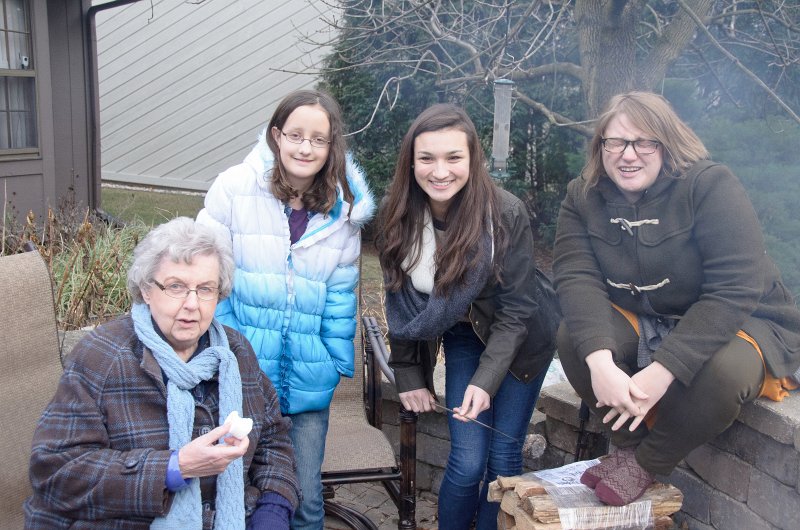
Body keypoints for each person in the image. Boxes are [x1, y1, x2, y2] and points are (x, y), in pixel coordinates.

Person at [553, 91, 800, 506]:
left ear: (666, 144)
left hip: (744, 316)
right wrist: (599, 362)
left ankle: (646, 462)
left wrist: (665, 368)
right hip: (648, 316)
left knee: (723, 373)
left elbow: (734, 288)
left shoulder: (709, 185)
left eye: (644, 142)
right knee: (574, 336)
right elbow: (576, 278)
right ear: (601, 147)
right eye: (615, 142)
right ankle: (628, 445)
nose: (628, 155)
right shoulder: (583, 195)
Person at [25, 217, 300, 529]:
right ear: (146, 290)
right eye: (176, 287)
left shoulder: (235, 354)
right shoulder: (102, 357)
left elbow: (273, 441)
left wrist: (273, 510)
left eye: (205, 289)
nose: (192, 304)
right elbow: (55, 472)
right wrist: (174, 468)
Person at [196, 89, 375, 529]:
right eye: (295, 134)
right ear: (277, 135)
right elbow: (206, 274)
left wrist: (334, 362)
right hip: (240, 377)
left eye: (319, 139)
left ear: (332, 148)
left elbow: (339, 294)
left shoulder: (342, 213)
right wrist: (232, 350)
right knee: (233, 491)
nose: (305, 147)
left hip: (308, 382)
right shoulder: (236, 188)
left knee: (306, 500)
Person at [378, 103, 554, 530]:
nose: (440, 171)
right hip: (465, 336)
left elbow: (516, 309)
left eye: (453, 157)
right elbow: (399, 300)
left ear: (472, 159)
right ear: (411, 161)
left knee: (503, 457)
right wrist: (408, 374)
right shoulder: (397, 214)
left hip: (524, 338)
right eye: (427, 158)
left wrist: (486, 381)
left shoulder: (503, 213)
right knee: (468, 460)